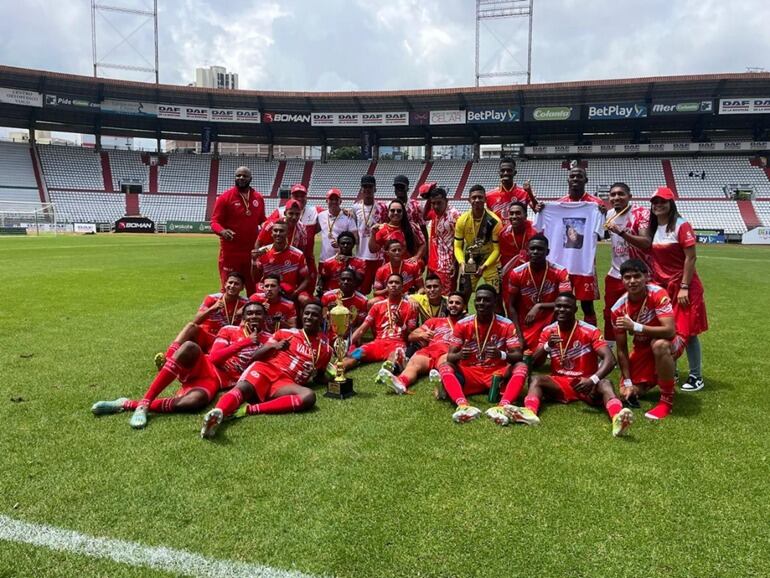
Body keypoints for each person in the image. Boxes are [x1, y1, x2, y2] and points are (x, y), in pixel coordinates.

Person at [92, 301, 272, 429]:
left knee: (194, 402)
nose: (254, 316)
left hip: (216, 381)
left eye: (258, 313)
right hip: (207, 366)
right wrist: (245, 342)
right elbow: (215, 357)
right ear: (244, 317)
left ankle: (127, 403)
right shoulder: (229, 330)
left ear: (265, 317)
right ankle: (145, 403)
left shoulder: (270, 340)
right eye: (250, 313)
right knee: (189, 347)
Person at [507, 292, 634, 438]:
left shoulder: (589, 330)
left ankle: (617, 419)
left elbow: (610, 359)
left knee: (605, 383)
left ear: (575, 309)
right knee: (536, 379)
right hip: (560, 382)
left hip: (585, 382)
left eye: (566, 307)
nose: (561, 310)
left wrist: (592, 380)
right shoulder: (549, 331)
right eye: (558, 306)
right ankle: (529, 413)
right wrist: (548, 346)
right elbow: (534, 362)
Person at [200, 301, 332, 438]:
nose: (309, 317)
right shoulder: (285, 333)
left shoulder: (325, 349)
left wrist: (336, 380)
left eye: (314, 315)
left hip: (286, 382)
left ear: (321, 318)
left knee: (309, 396)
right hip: (266, 369)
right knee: (244, 388)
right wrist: (273, 347)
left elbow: (319, 376)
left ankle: (248, 410)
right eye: (306, 313)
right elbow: (255, 356)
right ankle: (217, 413)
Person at [435, 284, 529, 424]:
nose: (481, 303)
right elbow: (451, 356)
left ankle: (502, 407)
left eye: (486, 300)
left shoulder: (507, 325)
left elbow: (517, 356)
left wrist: (501, 355)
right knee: (445, 365)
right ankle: (463, 406)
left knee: (521, 366)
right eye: (478, 299)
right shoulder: (462, 324)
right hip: (470, 373)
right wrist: (460, 355)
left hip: (496, 373)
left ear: (494, 302)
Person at [644, 187, 708, 392]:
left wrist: (684, 287)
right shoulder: (653, 227)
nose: (658, 205)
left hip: (684, 287)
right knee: (669, 331)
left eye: (662, 201)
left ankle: (696, 376)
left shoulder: (681, 225)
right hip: (664, 288)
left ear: (671, 203)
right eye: (655, 201)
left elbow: (691, 257)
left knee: (687, 332)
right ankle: (672, 370)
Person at [611, 259, 686, 420]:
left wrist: (635, 327)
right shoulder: (617, 309)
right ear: (622, 280)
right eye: (627, 277)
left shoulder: (657, 293)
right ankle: (660, 375)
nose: (632, 281)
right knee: (627, 393)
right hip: (642, 347)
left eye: (637, 276)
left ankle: (666, 401)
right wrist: (629, 383)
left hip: (671, 341)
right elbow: (622, 349)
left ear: (646, 277)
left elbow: (670, 331)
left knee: (658, 345)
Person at [378, 291, 466, 394]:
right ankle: (401, 382)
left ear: (464, 306)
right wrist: (422, 335)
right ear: (447, 305)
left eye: (457, 303)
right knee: (413, 363)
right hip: (429, 351)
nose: (453, 305)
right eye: (451, 302)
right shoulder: (434, 321)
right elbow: (411, 336)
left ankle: (443, 387)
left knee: (445, 365)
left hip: (447, 352)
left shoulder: (467, 324)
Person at [555, 164, 606, 327]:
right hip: (562, 265)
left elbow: (601, 234)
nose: (575, 178)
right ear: (568, 179)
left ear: (586, 180)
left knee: (587, 305)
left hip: (585, 264)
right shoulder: (559, 205)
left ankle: (592, 338)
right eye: (572, 176)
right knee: (561, 304)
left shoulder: (596, 205)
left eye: (579, 176)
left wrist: (602, 214)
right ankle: (561, 338)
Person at [503, 235, 571, 352]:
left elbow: (568, 303)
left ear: (547, 252)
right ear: (527, 251)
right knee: (521, 353)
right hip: (526, 322)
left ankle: (557, 341)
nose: (535, 252)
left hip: (550, 319)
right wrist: (518, 335)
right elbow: (511, 306)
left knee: (537, 355)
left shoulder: (560, 272)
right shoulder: (516, 273)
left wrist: (539, 306)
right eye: (532, 249)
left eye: (540, 249)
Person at [602, 182, 651, 343]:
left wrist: (622, 232)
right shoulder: (609, 214)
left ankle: (648, 352)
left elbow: (645, 242)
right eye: (613, 194)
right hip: (616, 273)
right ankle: (609, 352)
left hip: (639, 274)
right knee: (610, 313)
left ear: (629, 196)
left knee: (644, 314)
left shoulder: (641, 213)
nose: (616, 197)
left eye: (621, 194)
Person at [344, 273, 417, 374]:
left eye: (397, 282)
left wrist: (401, 325)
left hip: (398, 343)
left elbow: (411, 335)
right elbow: (362, 329)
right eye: (391, 282)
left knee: (395, 356)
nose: (393, 285)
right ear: (387, 286)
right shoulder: (377, 306)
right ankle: (337, 369)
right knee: (357, 353)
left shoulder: (410, 307)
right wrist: (348, 344)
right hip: (378, 343)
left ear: (402, 287)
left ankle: (386, 372)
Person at [210, 166, 266, 295]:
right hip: (231, 253)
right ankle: (228, 315)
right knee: (228, 289)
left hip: (251, 253)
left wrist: (269, 227)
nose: (241, 178)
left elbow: (262, 219)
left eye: (244, 176)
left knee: (253, 289)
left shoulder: (258, 197)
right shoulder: (225, 197)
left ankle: (252, 314)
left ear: (250, 178)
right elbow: (214, 222)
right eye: (238, 175)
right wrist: (223, 232)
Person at [454, 185, 502, 302]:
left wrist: (484, 266)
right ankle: (463, 320)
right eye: (474, 197)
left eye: (480, 197)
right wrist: (462, 263)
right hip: (471, 260)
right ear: (469, 200)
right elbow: (457, 246)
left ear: (485, 199)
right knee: (463, 296)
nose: (477, 200)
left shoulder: (494, 221)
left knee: (495, 299)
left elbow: (497, 249)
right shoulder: (462, 220)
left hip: (490, 262)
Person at [252, 219, 311, 307]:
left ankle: (300, 320)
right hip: (268, 288)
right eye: (275, 231)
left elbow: (306, 279)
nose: (278, 233)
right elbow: (255, 279)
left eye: (281, 231)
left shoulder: (298, 254)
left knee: (305, 299)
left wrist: (295, 292)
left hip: (289, 289)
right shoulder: (262, 252)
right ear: (271, 233)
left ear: (287, 234)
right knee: (254, 299)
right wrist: (253, 261)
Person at [186, 272, 249, 354]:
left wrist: (244, 313)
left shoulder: (246, 303)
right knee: (191, 327)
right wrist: (212, 308)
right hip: (208, 336)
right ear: (225, 284)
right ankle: (171, 356)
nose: (232, 286)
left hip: (227, 339)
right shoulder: (212, 298)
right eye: (230, 282)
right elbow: (195, 321)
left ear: (242, 287)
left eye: (236, 284)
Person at [351, 175, 388, 294]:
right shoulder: (355, 208)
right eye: (365, 187)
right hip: (361, 256)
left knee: (380, 291)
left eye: (370, 187)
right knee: (361, 291)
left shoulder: (382, 207)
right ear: (361, 189)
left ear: (375, 189)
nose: (367, 190)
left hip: (379, 257)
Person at [426, 186, 460, 294]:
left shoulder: (454, 216)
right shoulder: (434, 213)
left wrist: (455, 263)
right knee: (432, 294)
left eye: (439, 203)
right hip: (434, 262)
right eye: (433, 203)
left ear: (446, 201)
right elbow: (424, 216)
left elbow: (460, 241)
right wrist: (427, 197)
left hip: (447, 265)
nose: (436, 206)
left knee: (446, 295)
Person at [369, 199, 426, 263]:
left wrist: (416, 257)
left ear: (403, 213)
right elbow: (373, 249)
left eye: (399, 211)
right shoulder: (382, 228)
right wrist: (373, 234)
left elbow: (423, 244)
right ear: (388, 212)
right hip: (390, 269)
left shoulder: (412, 227)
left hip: (408, 268)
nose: (395, 213)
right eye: (392, 210)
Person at [320, 268, 369, 340]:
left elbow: (360, 326)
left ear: (355, 282)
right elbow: (321, 320)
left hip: (350, 335)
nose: (345, 282)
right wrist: (328, 312)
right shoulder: (327, 297)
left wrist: (348, 336)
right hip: (328, 334)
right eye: (343, 279)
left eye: (349, 280)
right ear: (338, 282)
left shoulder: (363, 301)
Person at [317, 188, 358, 262]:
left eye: (336, 199)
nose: (334, 201)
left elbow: (355, 239)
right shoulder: (321, 216)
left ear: (340, 201)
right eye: (331, 199)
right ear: (326, 201)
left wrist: (340, 244)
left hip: (343, 259)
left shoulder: (348, 217)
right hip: (324, 260)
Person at [498, 201, 537, 278]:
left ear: (525, 215)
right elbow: (504, 258)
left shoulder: (535, 231)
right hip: (511, 273)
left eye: (518, 213)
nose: (514, 216)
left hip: (532, 271)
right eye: (511, 213)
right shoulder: (503, 234)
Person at [393, 174, 430, 252]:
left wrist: (426, 250)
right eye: (397, 187)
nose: (399, 189)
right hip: (395, 246)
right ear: (394, 189)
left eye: (402, 187)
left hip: (413, 246)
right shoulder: (390, 206)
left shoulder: (416, 206)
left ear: (407, 188)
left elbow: (423, 228)